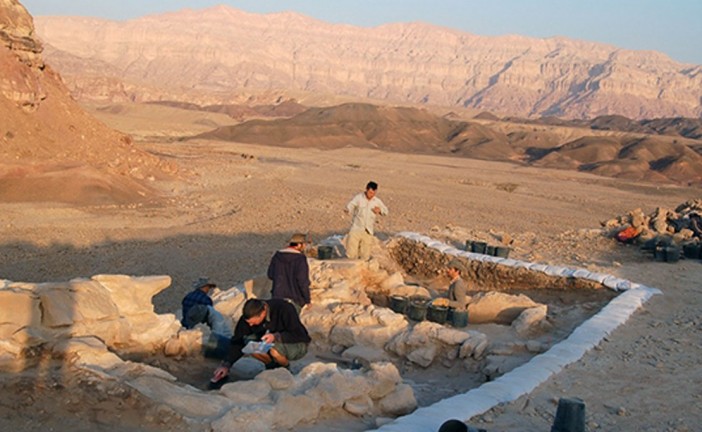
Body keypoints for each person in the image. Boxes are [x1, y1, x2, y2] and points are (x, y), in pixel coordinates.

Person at [209, 298, 311, 388]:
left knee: (274, 350)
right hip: (271, 344)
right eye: (249, 323)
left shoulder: (284, 308)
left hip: (297, 344)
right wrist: (226, 364)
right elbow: (237, 341)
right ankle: (272, 368)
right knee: (250, 346)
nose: (250, 325)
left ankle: (285, 371)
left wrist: (276, 336)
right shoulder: (248, 318)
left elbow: (299, 335)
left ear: (262, 313)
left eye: (253, 322)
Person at [345, 181, 389, 260]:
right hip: (356, 229)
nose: (371, 195)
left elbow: (386, 211)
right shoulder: (359, 198)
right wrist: (348, 209)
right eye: (370, 193)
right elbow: (351, 204)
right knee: (351, 253)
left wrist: (380, 210)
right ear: (366, 190)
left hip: (368, 231)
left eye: (373, 193)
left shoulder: (376, 201)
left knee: (365, 255)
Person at [267, 233, 311, 311]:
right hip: (294, 300)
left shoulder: (277, 256)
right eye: (304, 244)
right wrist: (307, 300)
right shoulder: (300, 259)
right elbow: (302, 281)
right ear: (299, 245)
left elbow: (270, 275)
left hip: (277, 298)